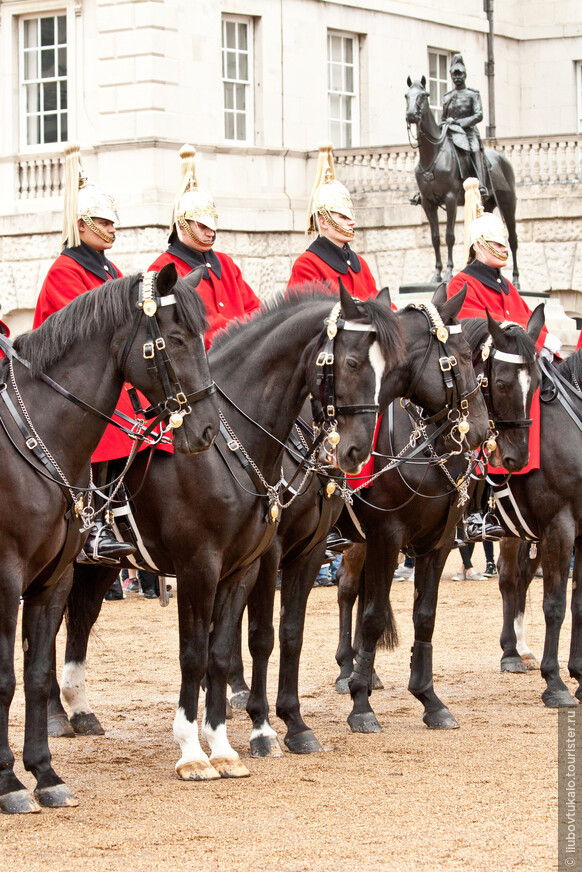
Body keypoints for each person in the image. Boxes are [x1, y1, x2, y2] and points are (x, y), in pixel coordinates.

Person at [33, 143, 136, 564]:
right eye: (103, 222)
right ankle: (90, 522)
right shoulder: (66, 270)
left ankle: (132, 512)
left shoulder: (108, 270)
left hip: (107, 378)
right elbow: (83, 333)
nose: (112, 230)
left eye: (113, 223)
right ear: (81, 223)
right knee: (108, 429)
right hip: (68, 384)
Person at [447, 179, 561, 542]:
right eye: (496, 244)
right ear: (478, 246)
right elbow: (465, 325)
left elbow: (528, 322)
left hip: (515, 369)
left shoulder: (505, 285)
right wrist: (509, 333)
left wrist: (546, 339)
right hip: (483, 374)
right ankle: (481, 508)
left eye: (504, 243)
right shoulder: (461, 282)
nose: (503, 249)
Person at [148, 144, 261, 348]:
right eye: (202, 226)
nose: (210, 232)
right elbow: (193, 324)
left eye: (212, 225)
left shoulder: (225, 263)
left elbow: (254, 308)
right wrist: (245, 332)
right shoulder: (162, 267)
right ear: (182, 225)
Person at [287, 142, 380, 300]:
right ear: (323, 222)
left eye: (351, 217)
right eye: (343, 217)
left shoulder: (361, 264)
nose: (352, 223)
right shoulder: (307, 265)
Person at [440, 54, 488, 198]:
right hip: (451, 133)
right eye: (454, 74)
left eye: (459, 73)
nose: (457, 77)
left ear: (465, 74)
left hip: (468, 132)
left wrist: (459, 122)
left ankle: (481, 185)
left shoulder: (473, 94)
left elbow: (478, 115)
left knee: (474, 150)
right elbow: (443, 117)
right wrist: (446, 122)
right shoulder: (447, 97)